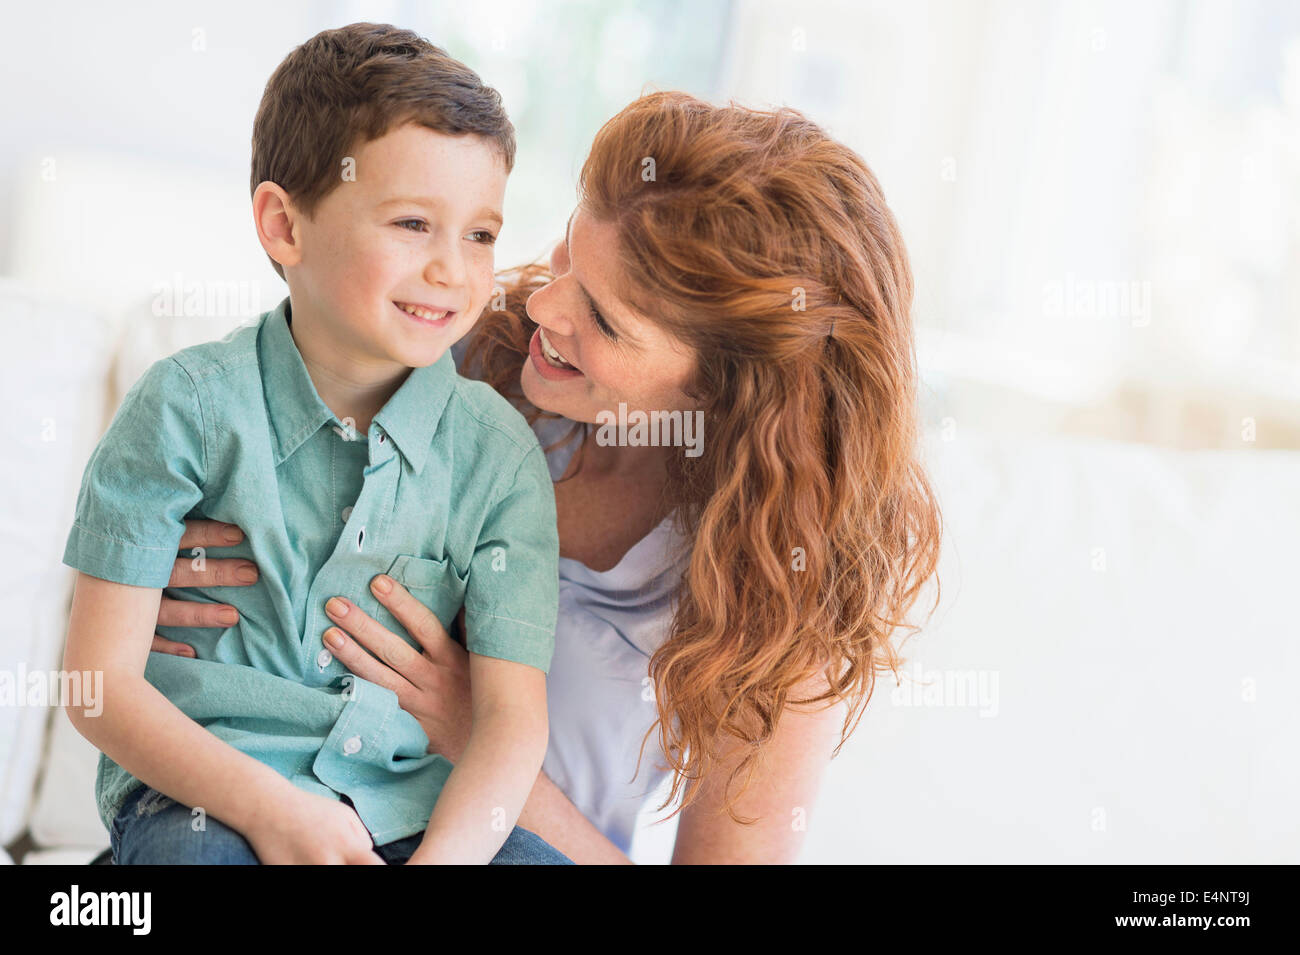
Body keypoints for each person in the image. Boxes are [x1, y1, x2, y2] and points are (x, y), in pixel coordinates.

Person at [151, 89, 944, 864]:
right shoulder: (471, 368)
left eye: (602, 319)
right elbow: (233, 463)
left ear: (728, 389)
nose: (544, 308)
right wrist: (166, 573)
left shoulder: (782, 587)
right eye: (568, 252)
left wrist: (481, 738)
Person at [61, 23, 572, 864]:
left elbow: (512, 722)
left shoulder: (501, 456)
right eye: (414, 222)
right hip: (209, 795)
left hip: (408, 811)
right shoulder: (184, 406)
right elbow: (99, 685)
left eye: (480, 234)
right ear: (284, 226)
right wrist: (275, 813)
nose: (453, 268)